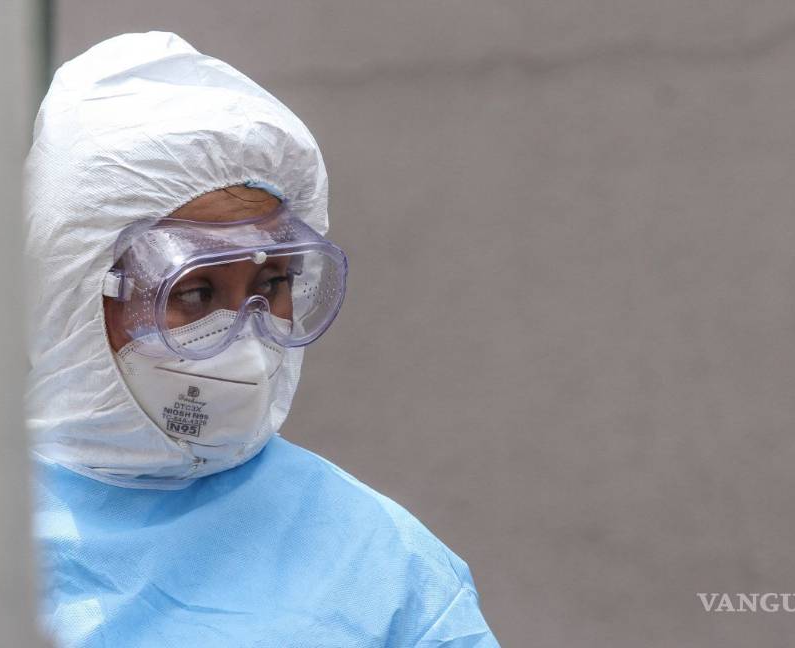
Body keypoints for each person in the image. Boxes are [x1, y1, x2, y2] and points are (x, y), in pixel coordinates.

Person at [26, 31, 499, 647]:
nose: (245, 337)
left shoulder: (383, 564)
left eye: (272, 283)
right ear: (72, 295)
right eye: (195, 292)